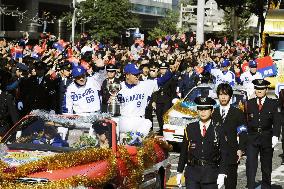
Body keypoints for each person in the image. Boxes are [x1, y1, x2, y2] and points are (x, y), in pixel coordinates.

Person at [176, 96, 227, 189]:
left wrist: (222, 173)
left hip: (211, 174)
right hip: (192, 174)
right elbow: (184, 151)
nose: (203, 112)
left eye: (206, 109)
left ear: (212, 111)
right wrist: (179, 171)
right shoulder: (190, 128)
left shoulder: (218, 129)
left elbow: (224, 153)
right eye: (200, 109)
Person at [117, 62, 179, 136]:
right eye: (135, 74)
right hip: (124, 121)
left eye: (138, 74)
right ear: (127, 75)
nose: (137, 76)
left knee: (147, 124)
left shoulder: (144, 85)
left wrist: (171, 72)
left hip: (139, 121)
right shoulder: (118, 87)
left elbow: (161, 81)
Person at [245, 79, 281, 189]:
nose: (259, 91)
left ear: (266, 89)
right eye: (257, 88)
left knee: (266, 166)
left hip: (266, 136)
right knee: (250, 164)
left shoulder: (273, 103)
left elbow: (277, 121)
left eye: (261, 89)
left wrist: (275, 136)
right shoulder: (248, 104)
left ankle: (266, 186)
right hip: (252, 137)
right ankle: (250, 186)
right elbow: (244, 122)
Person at [213, 83, 247, 189]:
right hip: (215, 154)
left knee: (231, 183)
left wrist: (241, 149)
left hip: (232, 153)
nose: (223, 97)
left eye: (226, 94)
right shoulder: (213, 113)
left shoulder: (237, 113)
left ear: (230, 96)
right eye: (221, 94)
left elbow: (243, 132)